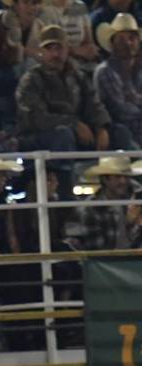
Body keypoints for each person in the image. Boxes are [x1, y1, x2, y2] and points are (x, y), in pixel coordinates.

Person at [16, 24, 120, 156]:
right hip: (38, 137)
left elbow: (94, 103)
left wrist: (101, 126)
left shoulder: (77, 75)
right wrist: (73, 123)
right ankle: (64, 175)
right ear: (41, 51)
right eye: (49, 48)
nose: (55, 54)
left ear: (67, 49)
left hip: (74, 132)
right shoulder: (31, 80)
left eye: (59, 48)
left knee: (118, 132)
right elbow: (36, 118)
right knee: (63, 134)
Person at [72, 154, 142, 251]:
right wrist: (129, 223)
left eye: (126, 177)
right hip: (109, 263)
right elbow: (99, 250)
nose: (123, 181)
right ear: (105, 179)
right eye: (117, 177)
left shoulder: (135, 200)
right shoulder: (91, 208)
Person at [95, 13, 142, 148]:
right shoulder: (105, 71)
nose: (127, 43)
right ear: (112, 42)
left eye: (132, 38)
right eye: (121, 38)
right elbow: (121, 110)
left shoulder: (140, 71)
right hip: (120, 133)